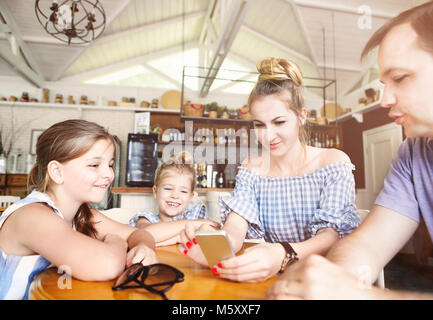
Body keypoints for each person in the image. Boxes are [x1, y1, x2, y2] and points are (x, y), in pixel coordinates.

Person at [267, 1, 433, 299]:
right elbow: (367, 244)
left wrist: (367, 296)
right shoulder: (413, 154)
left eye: (399, 78)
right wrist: (326, 284)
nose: (384, 99)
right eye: (383, 83)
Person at [179, 57, 361, 282]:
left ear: (301, 116)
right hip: (269, 279)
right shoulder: (251, 169)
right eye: (259, 125)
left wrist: (283, 253)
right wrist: (216, 244)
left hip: (322, 281)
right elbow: (237, 225)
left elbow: (330, 237)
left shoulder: (332, 163)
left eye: (279, 122)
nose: (268, 135)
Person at [0, 119, 156, 300]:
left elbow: (137, 234)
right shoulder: (32, 216)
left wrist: (143, 247)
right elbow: (108, 264)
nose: (109, 174)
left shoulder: (82, 213)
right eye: (94, 165)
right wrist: (117, 243)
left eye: (110, 164)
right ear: (57, 172)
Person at [128, 152, 218, 246]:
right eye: (168, 188)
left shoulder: (193, 216)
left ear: (191, 197)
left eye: (183, 191)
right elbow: (146, 235)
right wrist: (181, 235)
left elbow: (214, 233)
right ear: (155, 192)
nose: (175, 196)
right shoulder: (146, 219)